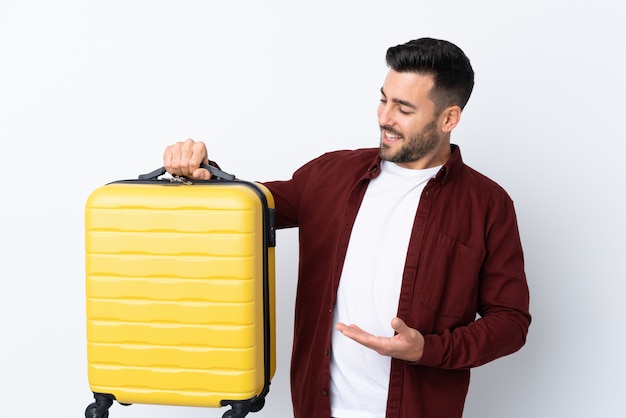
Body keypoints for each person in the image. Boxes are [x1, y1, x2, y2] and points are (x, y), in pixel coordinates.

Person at [163, 37, 531, 418]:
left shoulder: (488, 204)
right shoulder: (331, 174)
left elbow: (510, 321)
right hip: (318, 408)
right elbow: (246, 207)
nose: (385, 117)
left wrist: (427, 349)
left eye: (403, 108)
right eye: (384, 99)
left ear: (449, 118)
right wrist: (199, 174)